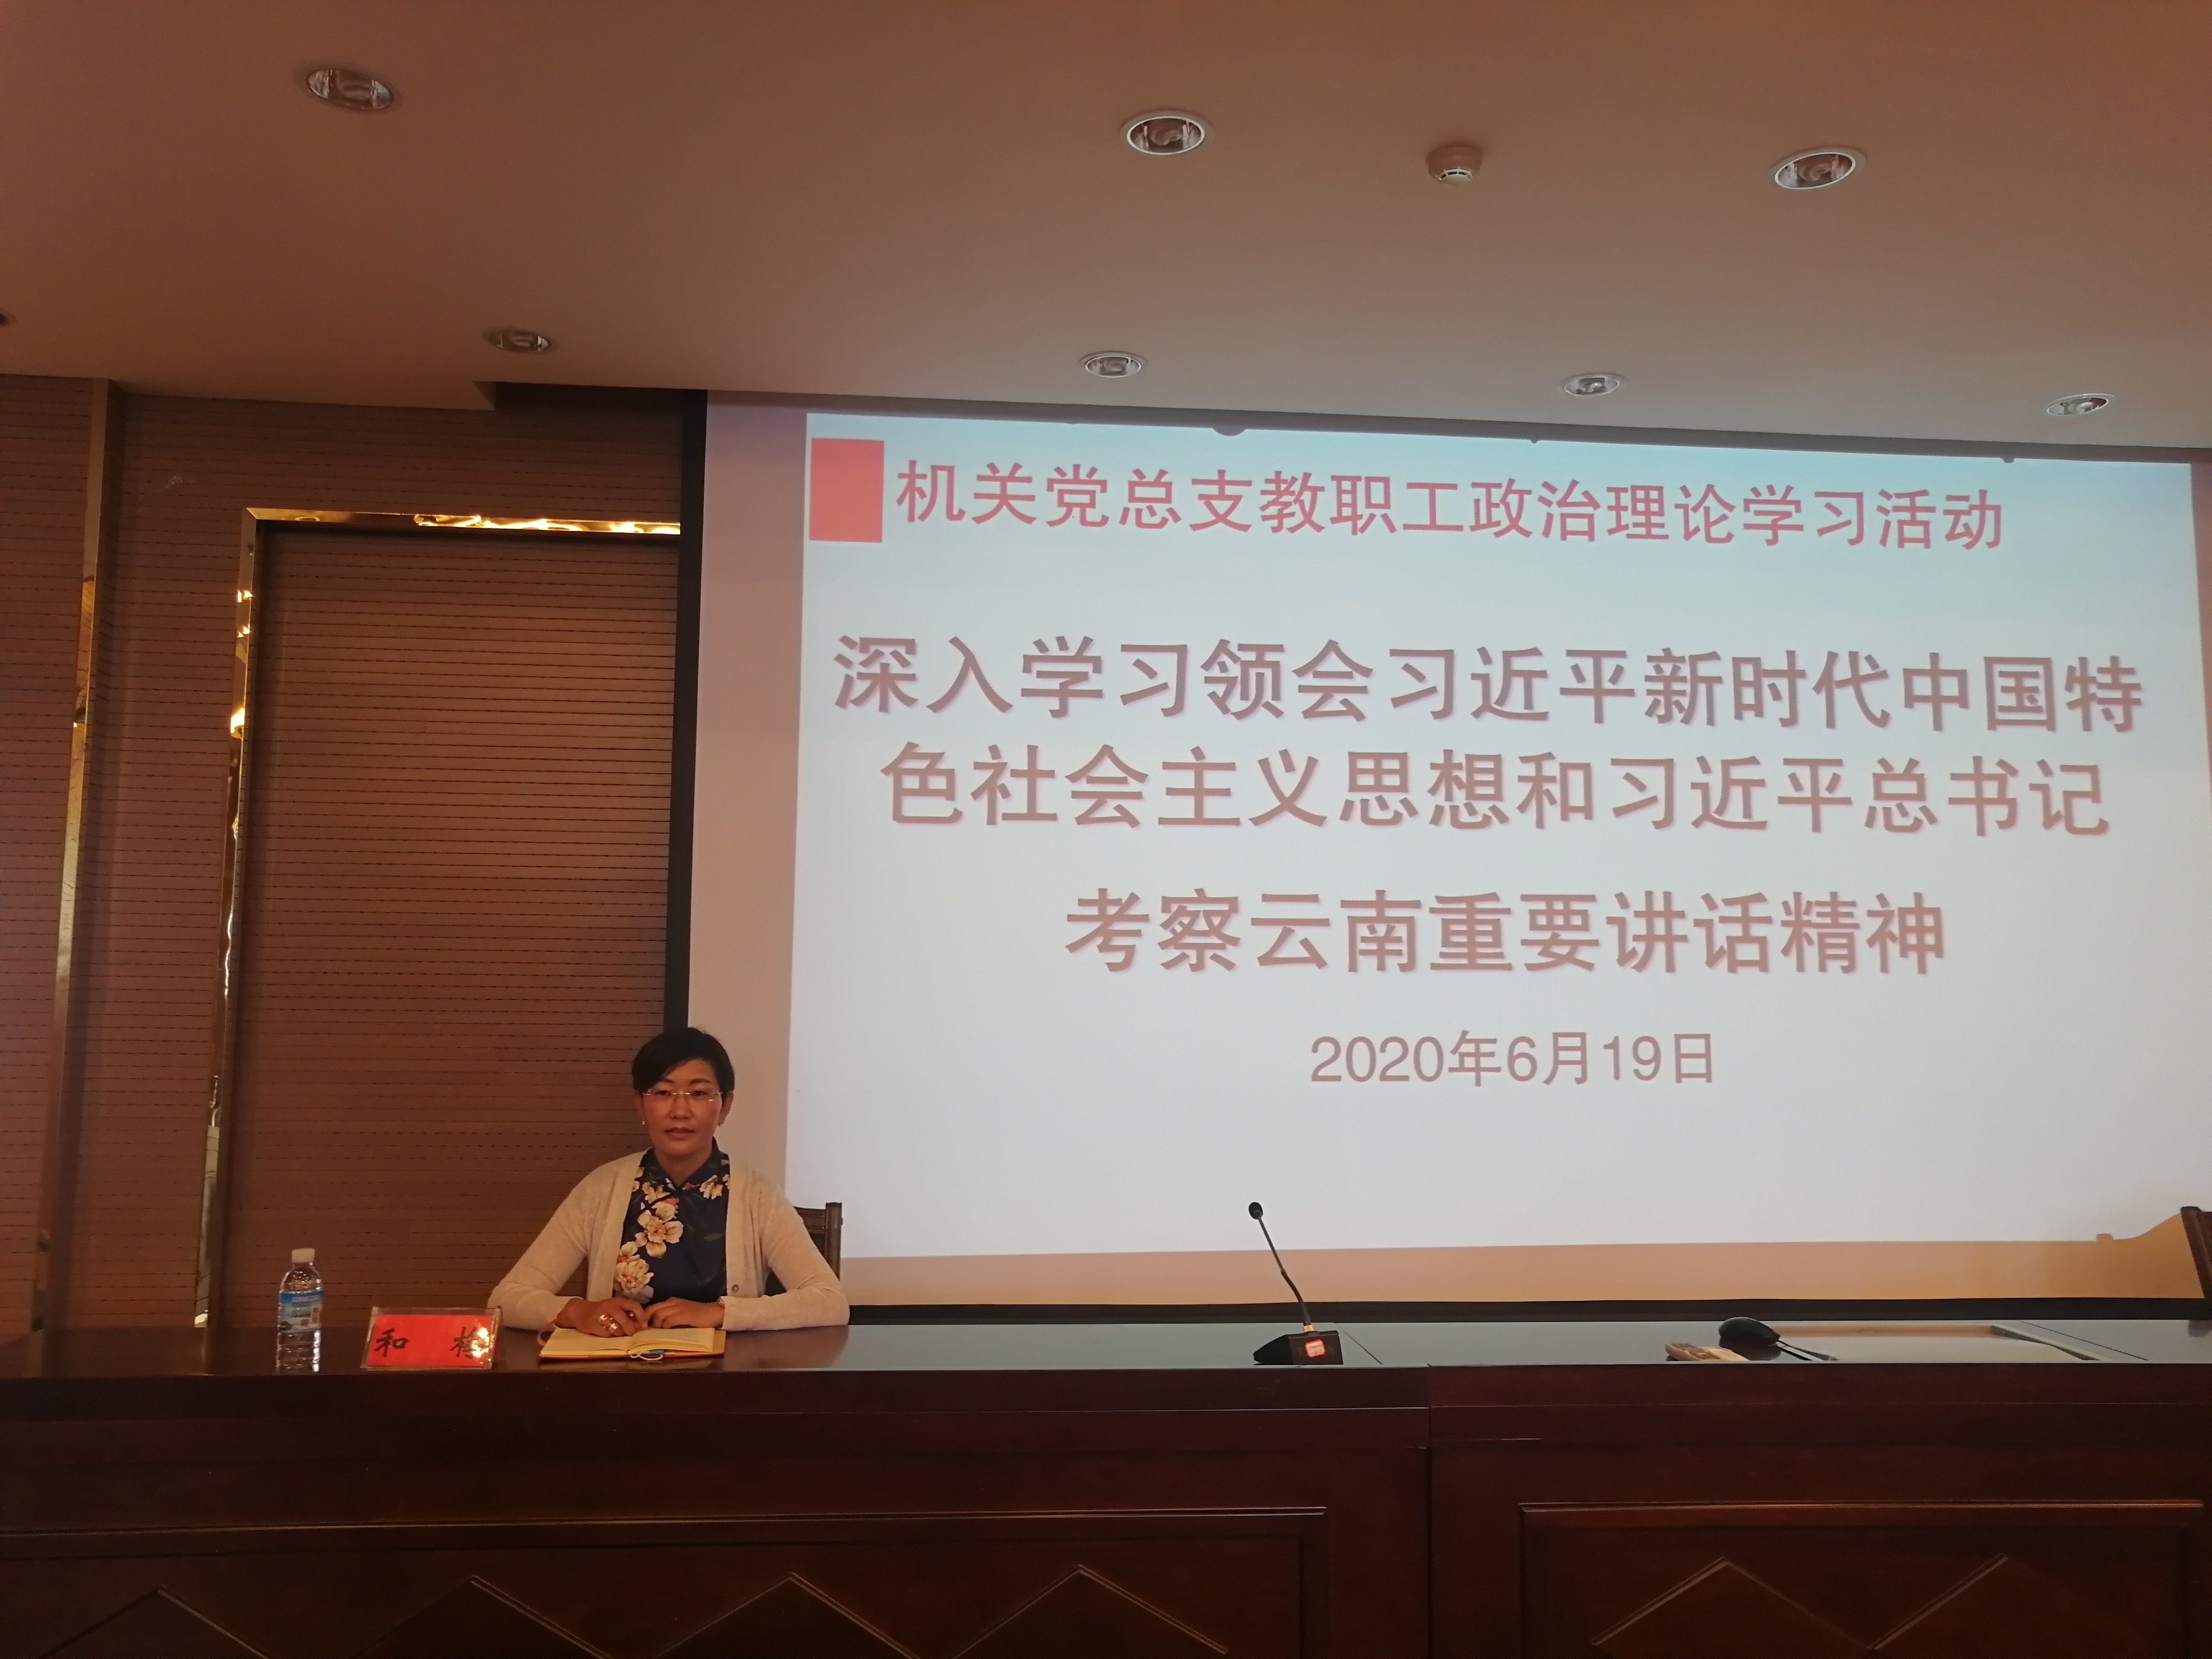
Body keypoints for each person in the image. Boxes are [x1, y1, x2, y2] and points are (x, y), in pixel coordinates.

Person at [490, 1027, 848, 1335]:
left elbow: (829, 1302)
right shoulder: (602, 1189)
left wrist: (721, 1313)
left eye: (699, 1093)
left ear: (724, 1106)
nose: (680, 1111)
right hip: (621, 1378)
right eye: (662, 1093)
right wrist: (577, 1312)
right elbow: (507, 1299)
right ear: (640, 1105)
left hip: (725, 1380)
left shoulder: (756, 1194)